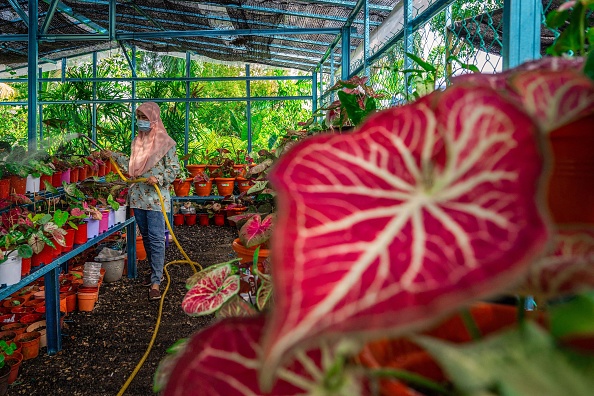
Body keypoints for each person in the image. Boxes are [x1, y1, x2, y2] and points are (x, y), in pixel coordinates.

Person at [109, 102, 180, 301]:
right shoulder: (137, 142)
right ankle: (153, 274)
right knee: (147, 238)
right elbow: (131, 166)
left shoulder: (166, 143)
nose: (141, 122)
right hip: (138, 197)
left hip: (156, 198)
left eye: (145, 118)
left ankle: (156, 282)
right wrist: (112, 156)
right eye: (139, 117)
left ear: (154, 119)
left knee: (157, 239)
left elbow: (174, 169)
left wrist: (159, 178)